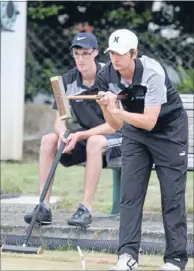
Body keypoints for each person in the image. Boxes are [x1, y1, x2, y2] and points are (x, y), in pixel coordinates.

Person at [96, 29, 188, 271]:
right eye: (112, 52)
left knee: (172, 196)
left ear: (134, 53)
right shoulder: (107, 74)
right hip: (135, 134)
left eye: (121, 53)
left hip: (168, 131)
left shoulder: (153, 73)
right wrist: (108, 107)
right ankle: (127, 256)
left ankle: (175, 260)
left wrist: (118, 111)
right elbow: (116, 125)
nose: (115, 58)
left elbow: (150, 121)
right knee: (130, 195)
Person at [24, 32, 122, 228]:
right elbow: (60, 120)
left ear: (95, 53)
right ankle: (43, 206)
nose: (80, 59)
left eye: (85, 53)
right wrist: (63, 134)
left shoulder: (111, 76)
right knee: (48, 140)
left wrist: (80, 135)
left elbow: (114, 125)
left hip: (118, 136)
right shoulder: (65, 81)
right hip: (87, 135)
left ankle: (85, 208)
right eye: (76, 53)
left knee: (94, 141)